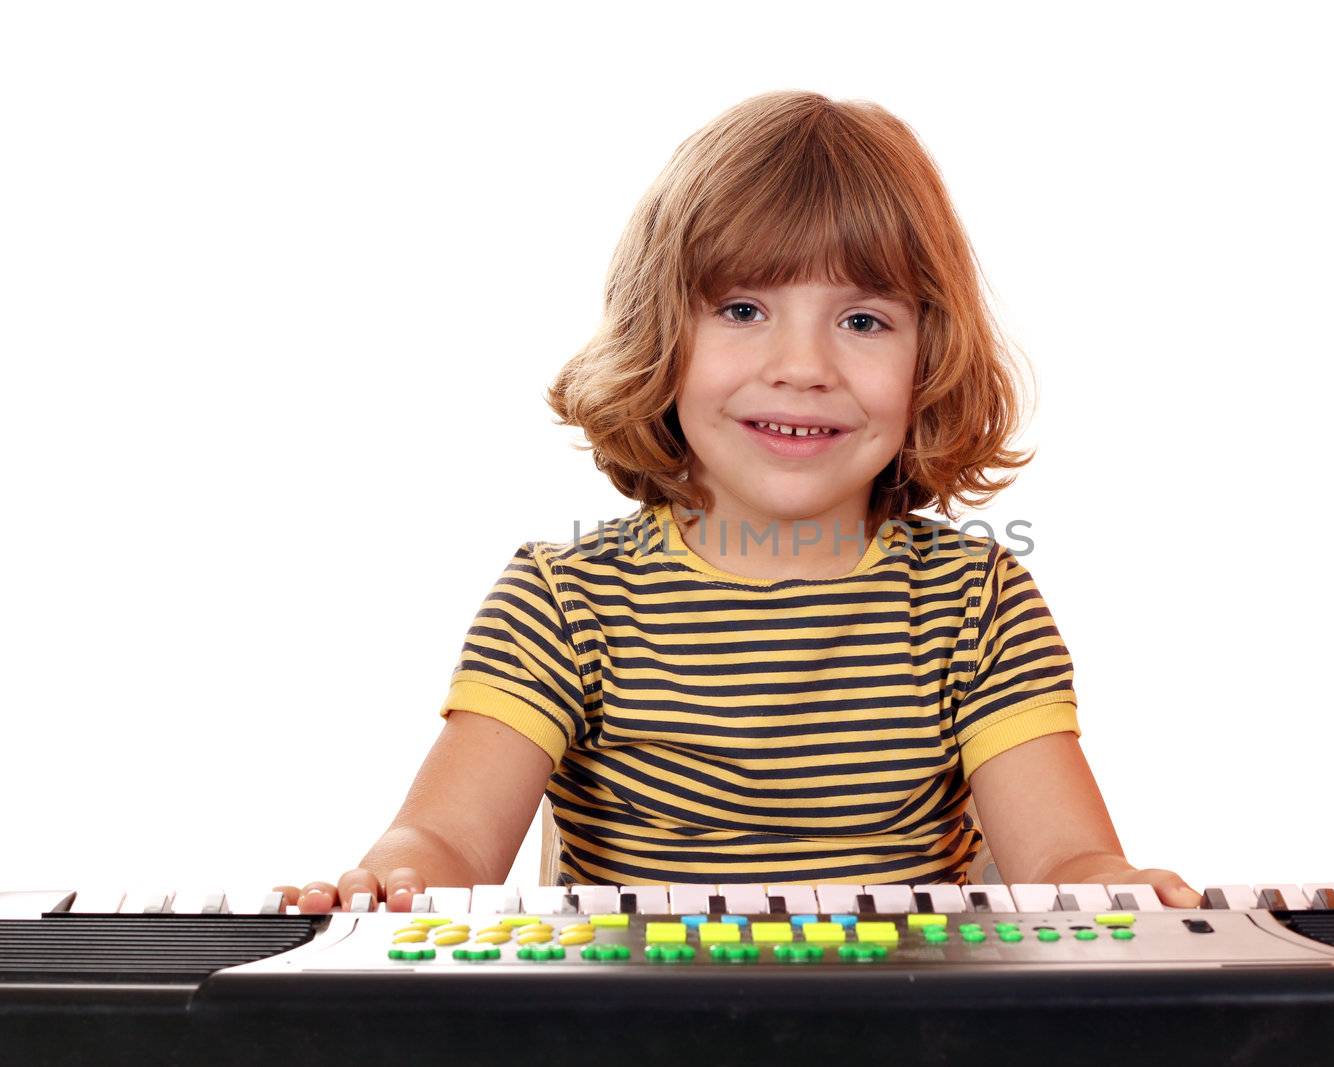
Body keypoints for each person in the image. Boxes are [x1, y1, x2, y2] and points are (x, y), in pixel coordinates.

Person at [286, 89, 1203, 914]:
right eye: (742, 310)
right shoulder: (564, 600)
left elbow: (1065, 861)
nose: (802, 368)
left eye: (863, 320)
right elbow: (446, 840)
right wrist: (398, 873)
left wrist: (1101, 878)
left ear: (931, 355)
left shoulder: (978, 603)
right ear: (660, 336)